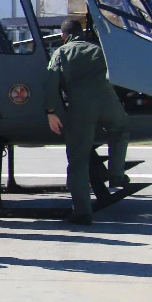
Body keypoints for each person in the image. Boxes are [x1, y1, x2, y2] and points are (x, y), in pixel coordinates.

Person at [44, 18, 130, 225]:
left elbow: (50, 83)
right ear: (82, 32)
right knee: (121, 128)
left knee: (78, 160)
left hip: (81, 109)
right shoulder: (99, 49)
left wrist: (51, 112)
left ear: (63, 36)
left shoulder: (61, 53)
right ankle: (117, 173)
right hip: (108, 102)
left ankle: (82, 212)